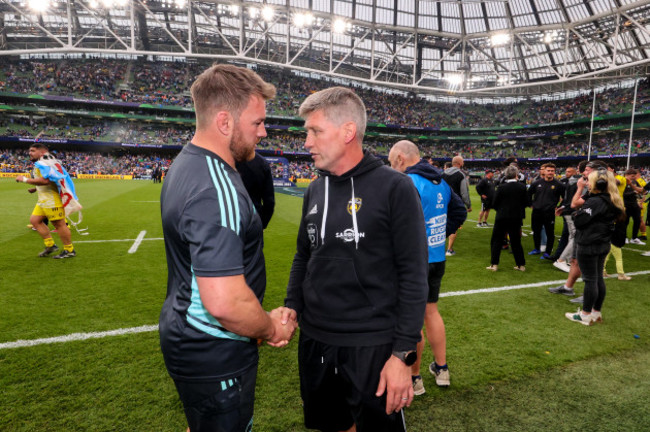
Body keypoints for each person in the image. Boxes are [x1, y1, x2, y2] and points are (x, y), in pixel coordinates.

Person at [159, 64, 297, 432]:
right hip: (214, 348)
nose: (263, 132)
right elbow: (225, 303)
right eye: (257, 123)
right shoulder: (214, 186)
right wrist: (269, 327)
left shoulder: (187, 164)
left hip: (191, 335)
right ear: (224, 122)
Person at [284, 87, 429, 432]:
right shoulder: (315, 190)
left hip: (373, 345)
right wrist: (292, 304)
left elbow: (414, 274)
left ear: (348, 132)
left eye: (315, 131)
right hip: (316, 339)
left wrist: (402, 356)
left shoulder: (395, 188)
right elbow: (304, 254)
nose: (307, 141)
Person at [387, 140, 467, 395]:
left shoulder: (407, 182)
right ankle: (441, 369)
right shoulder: (440, 181)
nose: (392, 168)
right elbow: (460, 212)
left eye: (391, 163)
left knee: (411, 318)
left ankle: (414, 378)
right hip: (436, 258)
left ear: (400, 158)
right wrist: (440, 236)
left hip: (412, 261)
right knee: (431, 311)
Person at [565, 169, 625, 325]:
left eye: (590, 181)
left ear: (599, 183)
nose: (588, 184)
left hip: (589, 243)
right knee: (598, 278)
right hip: (603, 243)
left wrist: (575, 215)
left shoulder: (595, 201)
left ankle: (585, 315)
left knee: (590, 280)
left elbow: (579, 221)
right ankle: (596, 312)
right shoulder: (612, 199)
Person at [15, 143, 77, 259]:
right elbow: (51, 179)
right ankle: (50, 245)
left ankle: (69, 250)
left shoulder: (43, 163)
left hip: (51, 200)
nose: (30, 153)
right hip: (43, 200)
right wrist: (35, 188)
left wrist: (24, 179)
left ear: (42, 152)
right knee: (35, 220)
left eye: (33, 151)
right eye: (29, 150)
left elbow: (46, 181)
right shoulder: (46, 162)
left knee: (59, 225)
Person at [486, 165, 528, 271]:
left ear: (506, 175)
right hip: (516, 217)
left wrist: (501, 210)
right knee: (516, 241)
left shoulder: (501, 187)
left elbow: (494, 203)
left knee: (496, 240)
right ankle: (521, 265)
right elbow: (527, 202)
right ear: (516, 175)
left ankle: (494, 265)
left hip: (502, 216)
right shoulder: (522, 187)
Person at [527, 163, 565, 259]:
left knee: (549, 232)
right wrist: (531, 204)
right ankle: (536, 249)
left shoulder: (559, 185)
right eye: (548, 170)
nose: (550, 173)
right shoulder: (536, 183)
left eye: (552, 171)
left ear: (554, 172)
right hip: (536, 212)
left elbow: (565, 198)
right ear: (544, 171)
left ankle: (547, 252)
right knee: (536, 231)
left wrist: (559, 207)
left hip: (549, 212)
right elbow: (528, 194)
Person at [552, 163, 584, 272]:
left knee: (572, 236)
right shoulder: (580, 181)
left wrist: (564, 206)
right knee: (575, 236)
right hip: (573, 211)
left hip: (569, 210)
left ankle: (570, 260)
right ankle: (561, 260)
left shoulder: (571, 181)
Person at [236, 152, 275, 229]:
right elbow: (269, 202)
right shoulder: (262, 163)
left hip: (229, 217)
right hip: (254, 219)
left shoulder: (228, 158)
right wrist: (263, 224)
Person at [442, 155, 471, 256]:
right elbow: (464, 193)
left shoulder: (443, 173)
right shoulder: (461, 174)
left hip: (443, 202)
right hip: (455, 204)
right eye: (462, 161)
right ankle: (449, 249)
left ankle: (439, 246)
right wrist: (468, 205)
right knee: (453, 226)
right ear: (459, 163)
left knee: (441, 224)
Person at [622, 168, 645, 245]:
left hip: (635, 204)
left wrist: (640, 202)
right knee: (625, 222)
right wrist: (633, 193)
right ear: (627, 175)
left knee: (638, 221)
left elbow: (640, 191)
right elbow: (622, 194)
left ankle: (634, 238)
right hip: (625, 204)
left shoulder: (635, 182)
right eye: (632, 176)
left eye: (634, 176)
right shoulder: (622, 182)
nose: (634, 178)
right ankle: (624, 237)